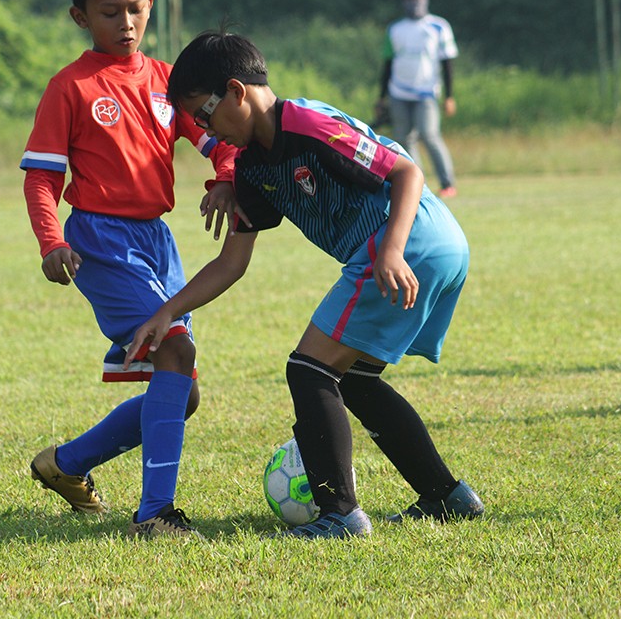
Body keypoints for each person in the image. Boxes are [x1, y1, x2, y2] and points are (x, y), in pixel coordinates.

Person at [126, 30, 484, 540]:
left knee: (309, 369)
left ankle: (340, 515)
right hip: (422, 244)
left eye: (204, 116)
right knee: (353, 379)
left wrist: (391, 250)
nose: (205, 130)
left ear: (235, 91)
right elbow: (232, 262)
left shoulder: (308, 124)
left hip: (411, 237)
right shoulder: (252, 167)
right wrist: (168, 311)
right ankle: (446, 496)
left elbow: (406, 172)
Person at [19, 0, 241, 538]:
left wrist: (224, 179)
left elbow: (218, 140)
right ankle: (156, 515)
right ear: (79, 16)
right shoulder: (70, 88)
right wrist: (49, 242)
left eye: (135, 8)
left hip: (157, 243)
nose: (126, 22)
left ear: (150, 3)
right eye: (109, 11)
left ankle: (64, 464)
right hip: (100, 242)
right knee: (178, 352)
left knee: (182, 393)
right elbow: (42, 177)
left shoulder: (168, 82)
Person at [375, 0, 459, 198]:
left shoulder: (439, 26)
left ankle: (447, 182)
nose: (414, 1)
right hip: (399, 92)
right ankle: (417, 185)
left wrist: (449, 96)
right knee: (404, 139)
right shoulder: (395, 29)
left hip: (427, 92)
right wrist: (381, 97)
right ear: (404, 0)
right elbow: (388, 65)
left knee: (429, 135)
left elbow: (447, 64)